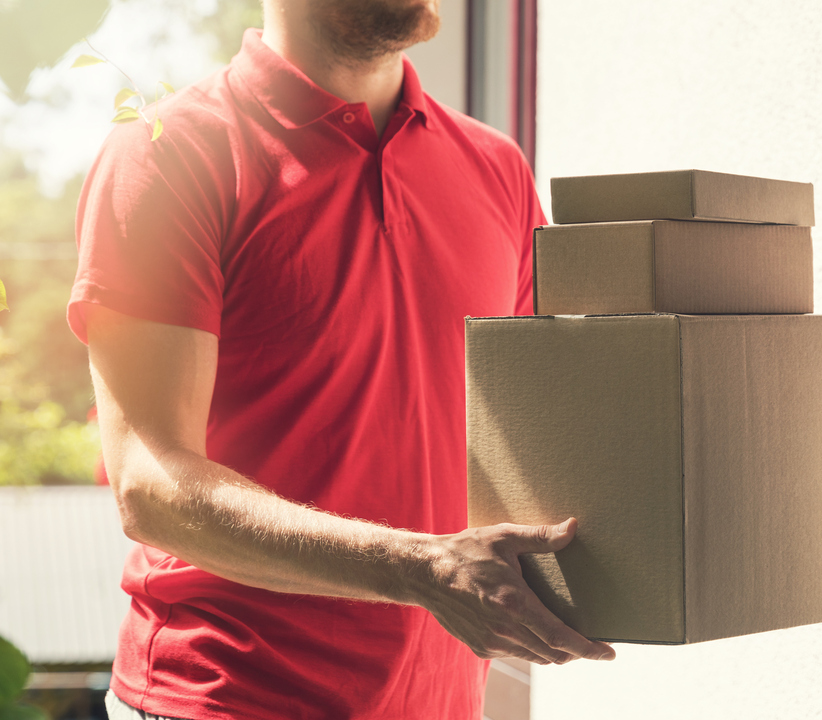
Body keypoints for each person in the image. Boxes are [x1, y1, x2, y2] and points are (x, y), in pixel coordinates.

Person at [69, 1, 615, 718]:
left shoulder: (497, 169)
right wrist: (422, 570)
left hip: (441, 703)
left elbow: (542, 432)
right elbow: (150, 486)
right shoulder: (168, 151)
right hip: (223, 699)